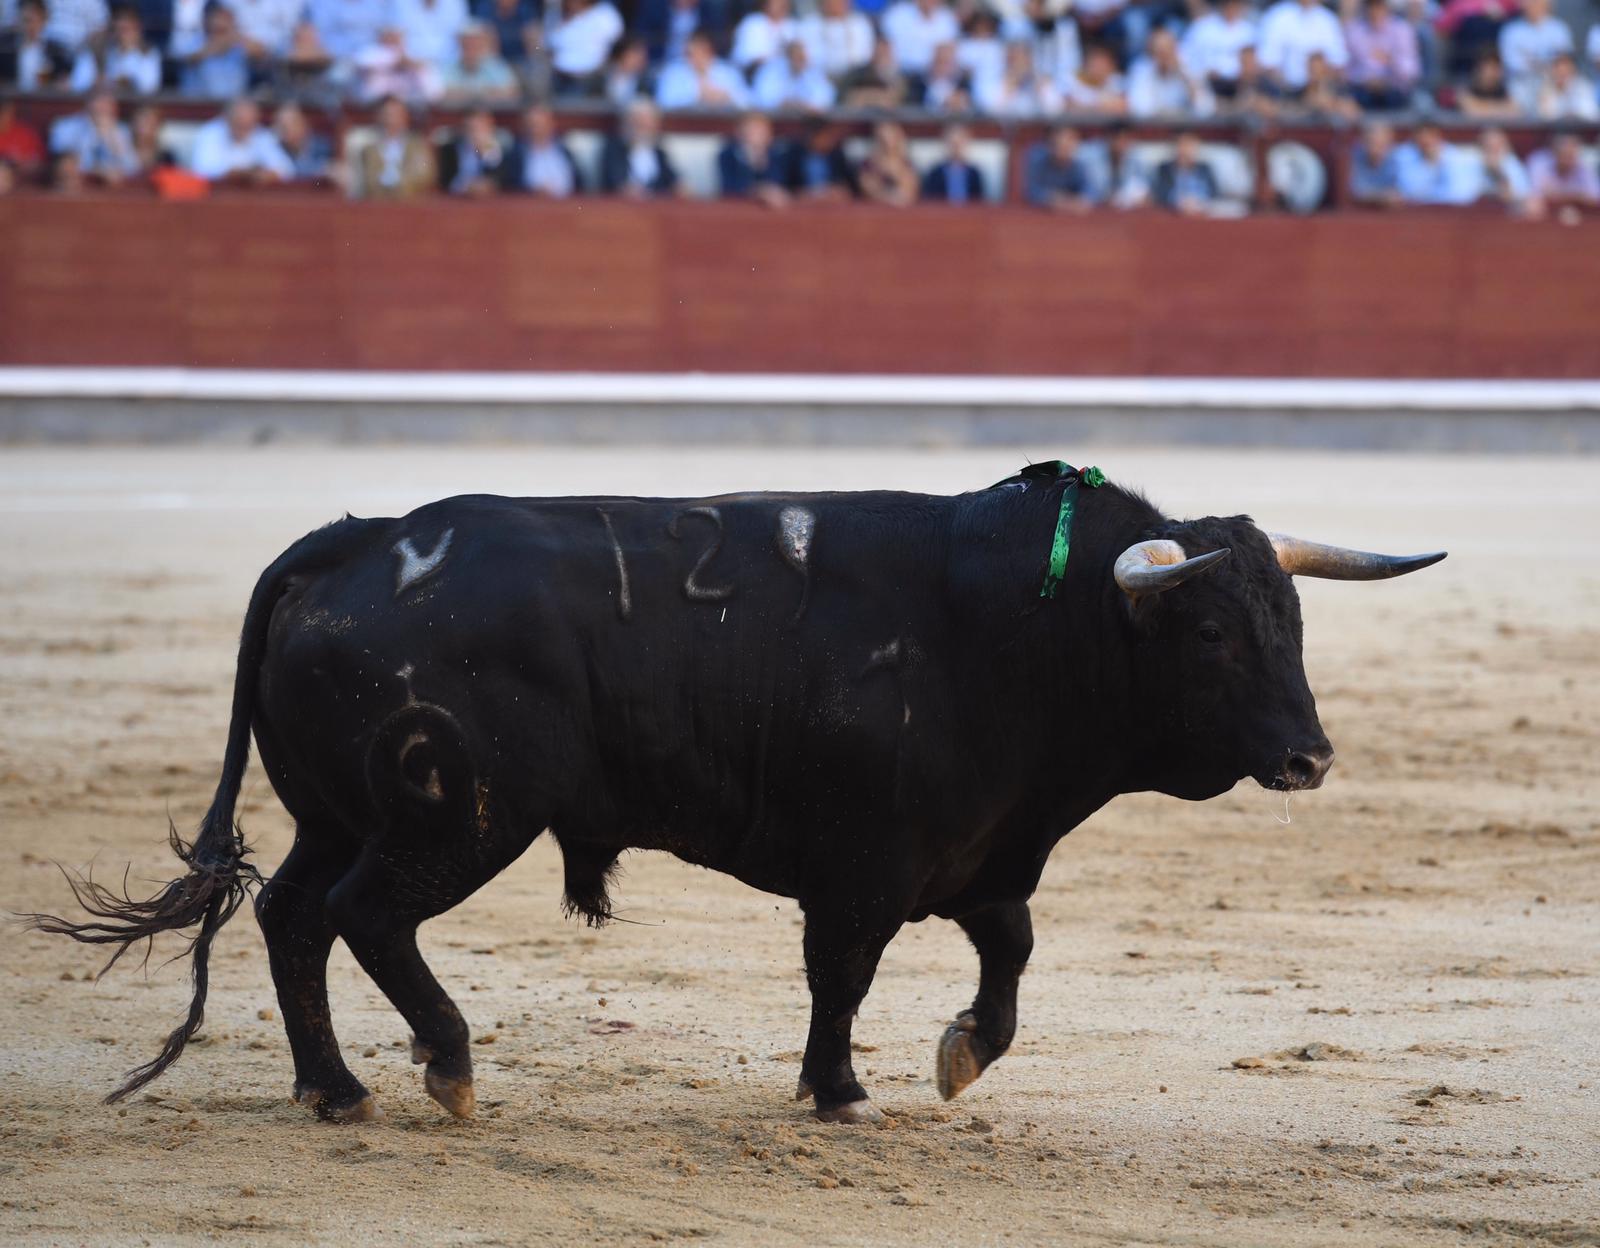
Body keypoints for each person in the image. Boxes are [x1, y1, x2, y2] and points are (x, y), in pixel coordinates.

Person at [189, 95, 294, 183]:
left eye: (248, 125)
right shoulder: (210, 133)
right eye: (239, 123)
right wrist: (242, 174)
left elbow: (287, 170)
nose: (244, 128)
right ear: (226, 118)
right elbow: (202, 170)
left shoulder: (261, 136)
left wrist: (267, 175)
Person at [1257, 0, 1347, 96]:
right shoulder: (1276, 17)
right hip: (1286, 91)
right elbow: (1268, 63)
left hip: (1321, 91)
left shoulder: (1328, 20)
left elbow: (1338, 63)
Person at [1342, 0, 1419, 111]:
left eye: (1378, 6)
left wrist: (1391, 61)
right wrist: (1367, 80)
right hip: (1362, 92)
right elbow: (1347, 71)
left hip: (1395, 91)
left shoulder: (1402, 30)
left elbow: (1411, 72)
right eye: (1371, 6)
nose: (1375, 11)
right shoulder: (1354, 31)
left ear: (1387, 8)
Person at [357, 92, 437, 196]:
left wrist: (401, 186)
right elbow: (368, 180)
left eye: (396, 114)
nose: (391, 119)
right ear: (379, 116)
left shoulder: (418, 145)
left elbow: (425, 175)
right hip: (378, 203)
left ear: (405, 116)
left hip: (412, 203)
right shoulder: (368, 148)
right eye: (387, 114)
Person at [52, 86, 139, 182]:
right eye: (99, 101)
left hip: (109, 188)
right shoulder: (65, 127)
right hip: (79, 184)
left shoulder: (121, 130)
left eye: (108, 103)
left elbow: (133, 168)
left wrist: (113, 139)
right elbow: (63, 166)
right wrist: (97, 171)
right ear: (88, 103)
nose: (103, 107)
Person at [70, 3, 160, 92]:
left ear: (137, 27)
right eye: (118, 28)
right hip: (104, 101)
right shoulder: (99, 49)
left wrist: (123, 82)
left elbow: (149, 86)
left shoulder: (148, 51)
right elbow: (79, 84)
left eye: (126, 28)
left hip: (134, 104)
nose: (121, 34)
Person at [599, 97, 679, 196]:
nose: (644, 129)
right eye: (639, 123)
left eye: (648, 125)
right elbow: (615, 182)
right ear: (626, 124)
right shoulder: (613, 151)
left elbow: (674, 182)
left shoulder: (659, 153)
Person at [1180, 0, 1257, 102]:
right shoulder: (1201, 28)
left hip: (1239, 86)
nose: (1231, 8)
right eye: (1228, 4)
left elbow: (1254, 64)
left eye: (1234, 4)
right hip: (1208, 84)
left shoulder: (1248, 30)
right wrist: (1203, 73)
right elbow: (1185, 58)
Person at [1127, 27, 1212, 116]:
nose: (1164, 57)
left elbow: (1205, 108)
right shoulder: (1141, 70)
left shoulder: (1190, 67)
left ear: (1176, 50)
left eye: (1168, 50)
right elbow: (1140, 109)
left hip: (1186, 126)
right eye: (1159, 52)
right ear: (1150, 53)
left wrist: (1184, 76)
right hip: (1155, 126)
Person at [1497, 0, 1571, 101]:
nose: (1534, 6)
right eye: (1530, 2)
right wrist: (1539, 65)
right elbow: (1511, 63)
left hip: (1552, 81)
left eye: (1537, 2)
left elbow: (1564, 60)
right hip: (1521, 83)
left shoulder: (1558, 28)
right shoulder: (1510, 30)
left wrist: (1541, 67)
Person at [655, 29, 748, 108]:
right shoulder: (673, 72)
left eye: (702, 51)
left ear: (711, 51)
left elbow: (749, 102)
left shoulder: (728, 72)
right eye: (691, 53)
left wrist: (727, 97)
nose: (697, 56)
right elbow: (663, 102)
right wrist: (697, 96)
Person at [548, 0, 625, 94]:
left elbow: (618, 45)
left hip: (595, 77)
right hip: (558, 76)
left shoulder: (606, 14)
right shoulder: (556, 13)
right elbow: (548, 44)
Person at [352, 23, 443, 101]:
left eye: (397, 36)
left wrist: (414, 66)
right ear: (382, 37)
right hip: (374, 101)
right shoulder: (371, 52)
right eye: (390, 35)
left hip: (407, 103)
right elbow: (361, 64)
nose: (394, 39)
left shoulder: (413, 54)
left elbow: (434, 93)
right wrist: (395, 62)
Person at [437, 107, 516, 195]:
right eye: (470, 128)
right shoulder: (450, 149)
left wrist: (486, 151)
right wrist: (465, 186)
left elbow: (499, 177)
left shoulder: (500, 148)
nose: (474, 133)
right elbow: (445, 180)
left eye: (479, 128)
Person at [180, 2, 250, 97]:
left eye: (226, 18)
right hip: (200, 105)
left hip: (233, 104)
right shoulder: (195, 42)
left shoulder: (238, 41)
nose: (221, 22)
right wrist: (217, 46)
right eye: (218, 17)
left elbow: (262, 53)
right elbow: (188, 59)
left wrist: (235, 40)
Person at [717, 110, 787, 205]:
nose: (758, 135)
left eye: (762, 131)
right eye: (752, 130)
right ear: (740, 133)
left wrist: (761, 159)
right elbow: (729, 187)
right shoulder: (727, 155)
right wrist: (757, 191)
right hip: (738, 207)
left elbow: (779, 184)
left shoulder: (775, 154)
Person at [1392, 123, 1475, 204]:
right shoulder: (1404, 156)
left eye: (1430, 136)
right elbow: (1406, 188)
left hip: (1450, 213)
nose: (1425, 140)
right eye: (1420, 137)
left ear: (1439, 137)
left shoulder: (1456, 158)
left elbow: (1461, 194)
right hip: (1414, 212)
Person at [974, 39, 1060, 116]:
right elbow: (991, 113)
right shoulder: (992, 81)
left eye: (1025, 58)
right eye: (1016, 59)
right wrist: (1011, 84)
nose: (1021, 64)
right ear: (1007, 60)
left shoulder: (1042, 82)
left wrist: (1038, 86)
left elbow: (1055, 111)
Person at [1, 0, 75, 90]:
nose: (29, 26)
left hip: (44, 102)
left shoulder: (55, 51)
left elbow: (64, 81)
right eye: (25, 20)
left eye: (33, 20)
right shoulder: (6, 50)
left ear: (44, 20)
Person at [510, 103, 580, 196]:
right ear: (524, 126)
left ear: (551, 124)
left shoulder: (565, 152)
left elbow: (580, 184)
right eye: (533, 124)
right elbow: (511, 187)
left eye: (541, 124)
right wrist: (533, 191)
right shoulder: (516, 156)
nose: (537, 129)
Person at [781, 115, 856, 199]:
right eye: (825, 136)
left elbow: (849, 185)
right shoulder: (792, 155)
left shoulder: (836, 155)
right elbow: (784, 188)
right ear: (812, 136)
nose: (830, 140)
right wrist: (811, 193)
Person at [441, 19, 518, 101]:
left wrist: (471, 93)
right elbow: (442, 92)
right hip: (458, 113)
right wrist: (484, 92)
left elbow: (512, 91)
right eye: (467, 44)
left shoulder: (496, 65)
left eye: (475, 44)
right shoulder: (448, 66)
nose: (471, 49)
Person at [796, 0, 873, 80]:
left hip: (854, 78)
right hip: (819, 79)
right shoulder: (807, 25)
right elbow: (806, 58)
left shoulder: (860, 23)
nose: (838, 4)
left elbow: (864, 57)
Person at [879, 0, 958, 78]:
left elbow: (948, 51)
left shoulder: (947, 20)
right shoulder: (897, 14)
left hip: (931, 76)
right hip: (899, 72)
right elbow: (884, 46)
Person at [1024, 124, 1093, 211]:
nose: (1064, 150)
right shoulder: (1037, 160)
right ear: (1049, 145)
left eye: (1068, 146)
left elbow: (1090, 191)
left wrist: (1077, 200)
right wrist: (1051, 198)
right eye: (1059, 145)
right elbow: (1031, 191)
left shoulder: (1079, 165)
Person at [1525, 130, 1599, 210]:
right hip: (1547, 214)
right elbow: (1534, 197)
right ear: (1554, 152)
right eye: (1565, 154)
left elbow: (1595, 198)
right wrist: (1576, 196)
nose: (1568, 160)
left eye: (1572, 155)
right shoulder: (1539, 163)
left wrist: (1570, 197)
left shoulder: (1584, 165)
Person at [753, 38, 835, 109]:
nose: (800, 61)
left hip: (805, 120)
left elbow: (826, 96)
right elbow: (763, 99)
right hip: (775, 120)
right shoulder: (770, 69)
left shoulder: (813, 71)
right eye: (796, 57)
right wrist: (787, 104)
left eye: (802, 57)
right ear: (788, 56)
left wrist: (806, 105)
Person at [390, 0, 469, 70]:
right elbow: (394, 36)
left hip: (450, 65)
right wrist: (409, 61)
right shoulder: (400, 3)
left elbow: (464, 37)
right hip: (410, 66)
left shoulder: (456, 3)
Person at [1152, 130, 1217, 214]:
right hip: (1173, 213)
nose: (1185, 149)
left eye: (1189, 145)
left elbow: (1214, 193)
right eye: (1182, 144)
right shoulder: (1164, 169)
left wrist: (1198, 201)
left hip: (1201, 211)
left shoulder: (1205, 168)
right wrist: (1179, 202)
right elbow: (1160, 194)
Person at [857, 118, 918, 206]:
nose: (886, 140)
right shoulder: (868, 165)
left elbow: (910, 192)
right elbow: (868, 190)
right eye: (882, 136)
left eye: (891, 134)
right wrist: (890, 198)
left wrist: (896, 170)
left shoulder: (906, 163)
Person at [920, 123, 984, 202]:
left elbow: (980, 202)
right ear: (946, 143)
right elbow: (930, 201)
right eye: (953, 143)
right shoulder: (935, 173)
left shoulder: (974, 173)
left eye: (960, 142)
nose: (956, 147)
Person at [839, 34, 908, 106]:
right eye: (879, 52)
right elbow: (846, 98)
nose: (882, 56)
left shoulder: (901, 77)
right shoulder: (856, 75)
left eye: (886, 52)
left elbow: (902, 101)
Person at [731, 0, 798, 73]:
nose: (781, 5)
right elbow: (741, 57)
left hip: (788, 75)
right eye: (777, 2)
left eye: (784, 3)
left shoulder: (793, 25)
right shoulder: (751, 23)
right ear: (766, 4)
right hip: (757, 75)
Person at [273, 100, 335, 180]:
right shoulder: (279, 148)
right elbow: (287, 172)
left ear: (301, 124)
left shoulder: (323, 146)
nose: (282, 132)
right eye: (281, 127)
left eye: (285, 127)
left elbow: (330, 170)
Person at [1060, 41, 1127, 112]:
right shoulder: (1071, 80)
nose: (1099, 68)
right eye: (1095, 63)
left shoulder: (1116, 80)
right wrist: (1102, 105)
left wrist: (1087, 106)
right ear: (1086, 63)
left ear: (1112, 66)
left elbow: (1121, 106)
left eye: (1103, 63)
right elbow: (1068, 106)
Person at [1529, 52, 1598, 121]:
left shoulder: (1583, 87)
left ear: (1572, 69)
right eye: (1557, 68)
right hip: (1553, 129)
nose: (1561, 73)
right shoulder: (1546, 88)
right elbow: (1542, 116)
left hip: (1578, 129)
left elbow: (1590, 113)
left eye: (1565, 69)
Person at [1472, 125, 1529, 209]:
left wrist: (1497, 172)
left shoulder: (1512, 165)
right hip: (1476, 211)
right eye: (1488, 148)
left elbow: (1516, 196)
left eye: (1496, 147)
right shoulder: (1472, 163)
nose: (1492, 153)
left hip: (1506, 212)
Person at [1349, 118, 1401, 205]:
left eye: (1382, 144)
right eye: (1373, 143)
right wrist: (1381, 197)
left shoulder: (1399, 159)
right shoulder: (1354, 158)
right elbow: (1356, 191)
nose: (1377, 150)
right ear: (1363, 143)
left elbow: (1404, 193)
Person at [1458, 50, 1517, 117]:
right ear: (1479, 69)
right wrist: (1500, 108)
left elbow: (1515, 111)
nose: (1494, 74)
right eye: (1491, 67)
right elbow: (1474, 111)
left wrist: (1484, 107)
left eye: (1497, 68)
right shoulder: (1465, 91)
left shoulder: (1504, 92)